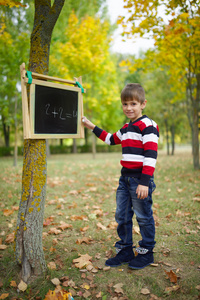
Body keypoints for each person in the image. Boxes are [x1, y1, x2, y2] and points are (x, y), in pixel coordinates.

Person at [82, 83, 159, 270]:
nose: (129, 108)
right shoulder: (126, 128)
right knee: (122, 216)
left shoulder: (148, 126)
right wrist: (91, 126)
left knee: (143, 217)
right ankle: (125, 249)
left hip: (140, 180)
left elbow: (150, 156)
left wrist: (144, 182)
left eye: (133, 103)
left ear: (143, 104)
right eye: (125, 104)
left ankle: (147, 251)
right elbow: (109, 139)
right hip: (124, 180)